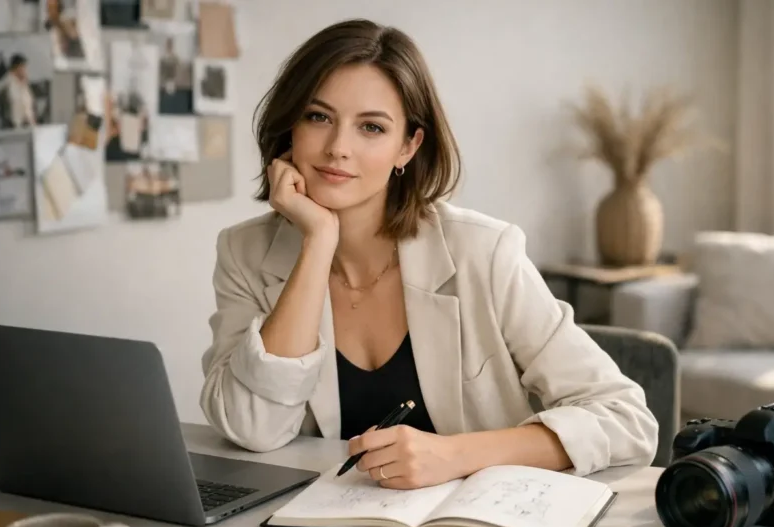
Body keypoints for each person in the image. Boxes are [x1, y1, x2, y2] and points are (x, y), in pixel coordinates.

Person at [199, 19, 659, 490]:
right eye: (318, 117)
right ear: (289, 127)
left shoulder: (485, 252)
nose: (338, 148)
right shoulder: (245, 252)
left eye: (371, 127)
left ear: (408, 146)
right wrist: (317, 242)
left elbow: (626, 419)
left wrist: (457, 455)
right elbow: (252, 427)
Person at [0, 54, 36, 129]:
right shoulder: (8, 80)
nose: (25, 70)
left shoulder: (25, 85)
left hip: (28, 123)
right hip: (14, 125)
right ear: (16, 68)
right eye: (23, 67)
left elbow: (29, 104)